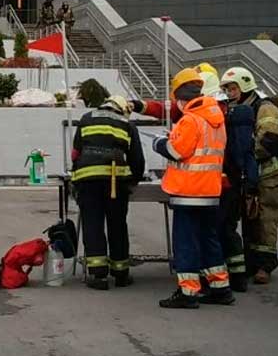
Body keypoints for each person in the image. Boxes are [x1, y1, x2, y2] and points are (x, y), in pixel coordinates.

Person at [153, 68, 230, 308]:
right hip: (210, 190)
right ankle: (220, 287)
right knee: (209, 239)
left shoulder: (190, 119)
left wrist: (160, 143)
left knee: (185, 241)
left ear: (181, 98)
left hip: (188, 191)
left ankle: (188, 292)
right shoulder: (215, 118)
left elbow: (178, 151)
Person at [69, 95, 146, 289]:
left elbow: (76, 152)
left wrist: (76, 172)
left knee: (93, 224)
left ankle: (98, 276)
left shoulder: (86, 118)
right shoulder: (127, 125)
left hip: (88, 181)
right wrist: (134, 180)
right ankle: (121, 273)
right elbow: (137, 159)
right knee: (117, 225)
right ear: (122, 109)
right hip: (117, 182)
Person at [217, 68, 262, 292]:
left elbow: (244, 151)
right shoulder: (234, 112)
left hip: (234, 179)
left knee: (227, 227)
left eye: (233, 88)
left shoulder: (241, 114)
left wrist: (248, 180)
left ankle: (238, 275)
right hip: (235, 178)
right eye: (226, 89)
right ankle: (239, 273)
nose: (229, 93)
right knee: (229, 227)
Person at [250, 93, 278, 284]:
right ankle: (253, 260)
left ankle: (265, 265)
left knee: (267, 219)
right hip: (258, 171)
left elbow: (269, 141)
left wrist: (245, 149)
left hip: (270, 173)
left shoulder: (266, 109)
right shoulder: (251, 106)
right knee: (252, 216)